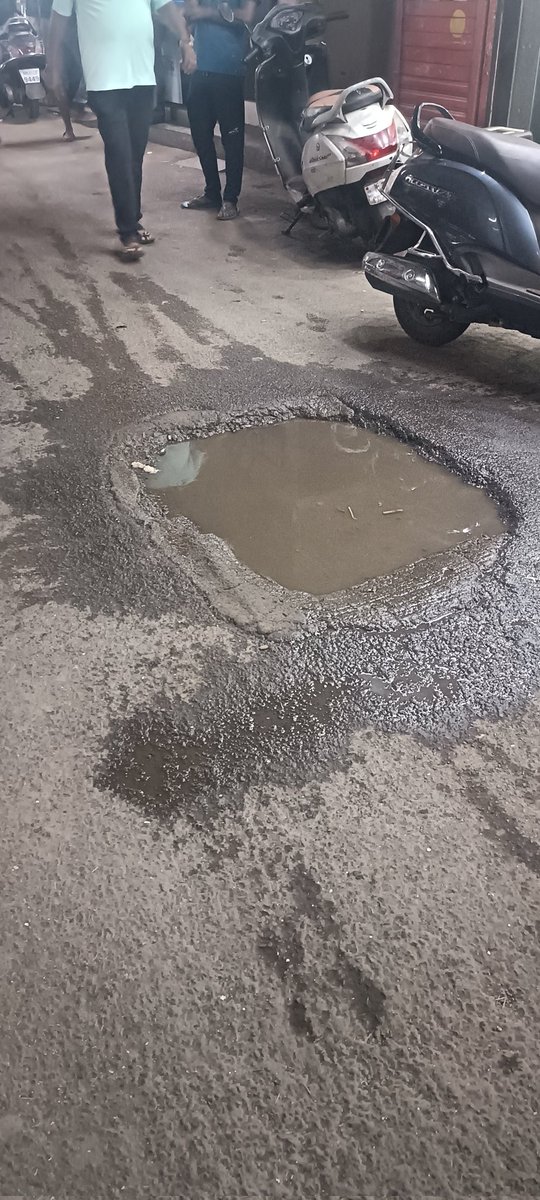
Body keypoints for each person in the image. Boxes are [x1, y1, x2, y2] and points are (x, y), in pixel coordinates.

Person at [48, 0, 196, 260]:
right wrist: (53, 67)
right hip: (103, 81)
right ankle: (127, 231)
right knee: (119, 152)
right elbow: (57, 23)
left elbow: (166, 8)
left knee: (135, 154)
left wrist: (185, 41)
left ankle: (133, 219)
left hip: (142, 78)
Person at [182, 0, 255, 221]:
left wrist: (204, 13)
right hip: (199, 67)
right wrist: (184, 43)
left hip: (229, 68)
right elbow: (187, 11)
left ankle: (231, 198)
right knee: (200, 134)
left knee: (232, 139)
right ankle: (212, 193)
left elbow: (248, 15)